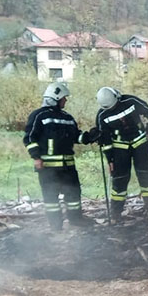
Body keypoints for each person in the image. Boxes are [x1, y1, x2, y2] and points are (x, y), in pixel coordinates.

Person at [23, 82, 98, 230]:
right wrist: (36, 157)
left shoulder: (67, 117)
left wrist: (89, 137)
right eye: (64, 98)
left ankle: (75, 220)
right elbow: (30, 138)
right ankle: (56, 226)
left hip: (68, 167)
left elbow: (77, 137)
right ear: (55, 98)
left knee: (73, 194)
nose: (66, 100)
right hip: (48, 168)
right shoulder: (38, 116)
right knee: (51, 197)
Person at [95, 86, 148, 222]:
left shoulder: (130, 101)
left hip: (140, 143)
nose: (113, 109)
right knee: (119, 179)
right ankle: (116, 213)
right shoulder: (102, 115)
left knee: (145, 175)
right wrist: (110, 160)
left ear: (117, 97)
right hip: (120, 149)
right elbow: (105, 141)